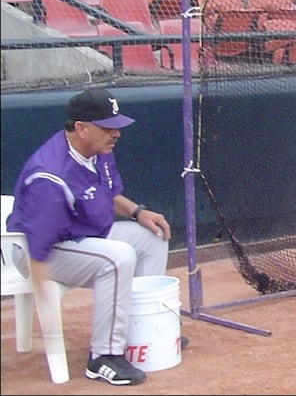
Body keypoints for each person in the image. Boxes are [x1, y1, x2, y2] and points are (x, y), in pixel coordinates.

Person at [6, 88, 182, 386]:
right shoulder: (49, 177)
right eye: (107, 127)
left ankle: (138, 330)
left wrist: (139, 212)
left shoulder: (96, 151)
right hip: (40, 251)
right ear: (81, 128)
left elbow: (109, 193)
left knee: (151, 236)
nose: (116, 134)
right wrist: (45, 317)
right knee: (116, 259)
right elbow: (38, 247)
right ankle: (103, 358)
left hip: (81, 234)